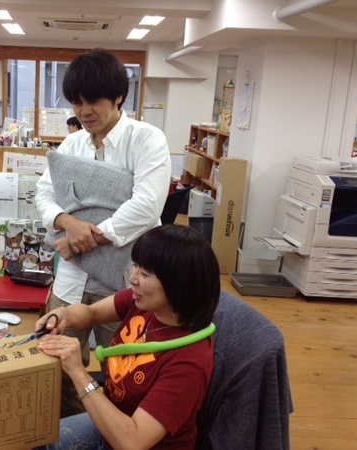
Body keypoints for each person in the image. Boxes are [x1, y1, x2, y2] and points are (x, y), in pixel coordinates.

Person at [35, 48, 172, 417]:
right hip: (71, 283)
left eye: (93, 101)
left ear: (119, 96)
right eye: (76, 102)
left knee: (125, 372)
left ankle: (114, 434)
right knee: (58, 369)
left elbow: (147, 206)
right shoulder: (72, 144)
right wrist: (67, 223)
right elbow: (43, 193)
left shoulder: (146, 140)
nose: (84, 111)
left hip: (126, 286)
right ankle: (68, 434)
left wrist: (88, 237)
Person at [35, 224, 220, 450]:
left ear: (178, 285)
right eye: (136, 266)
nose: (132, 278)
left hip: (129, 439)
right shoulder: (145, 304)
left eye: (145, 274)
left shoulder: (189, 362)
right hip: (111, 425)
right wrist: (62, 314)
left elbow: (132, 442)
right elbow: (92, 313)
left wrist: (77, 372)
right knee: (37, 441)